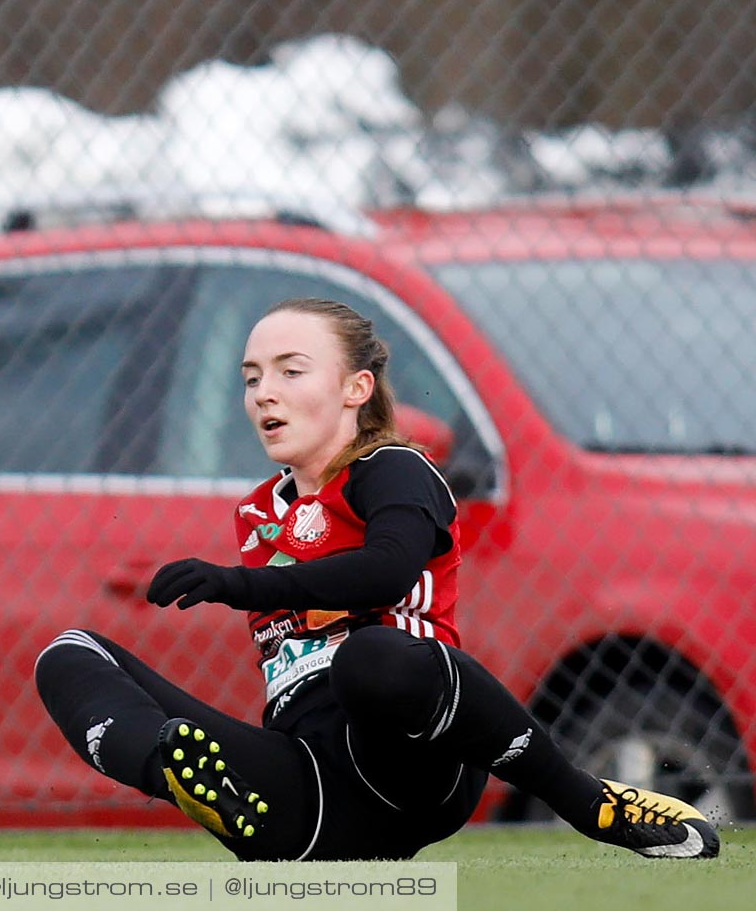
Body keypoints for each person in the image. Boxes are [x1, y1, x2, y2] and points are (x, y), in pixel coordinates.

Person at [35, 297, 720, 862]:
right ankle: (190, 778)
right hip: (317, 789)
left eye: (289, 371)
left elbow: (386, 574)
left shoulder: (394, 471)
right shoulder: (257, 510)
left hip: (416, 758)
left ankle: (587, 801)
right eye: (250, 377)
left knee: (368, 659)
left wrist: (238, 586)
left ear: (355, 389)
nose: (263, 393)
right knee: (67, 654)